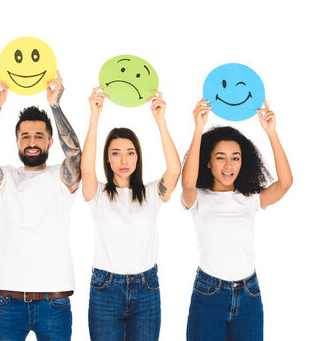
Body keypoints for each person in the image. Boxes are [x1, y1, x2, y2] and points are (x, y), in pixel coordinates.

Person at [0, 70, 81, 341]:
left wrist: (55, 105)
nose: (32, 142)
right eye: (25, 136)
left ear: (49, 141)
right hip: (7, 303)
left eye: (38, 136)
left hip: (53, 303)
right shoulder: (7, 178)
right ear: (17, 141)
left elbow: (76, 156)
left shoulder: (61, 177)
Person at [181, 99, 293, 341]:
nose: (229, 165)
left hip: (248, 294)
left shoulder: (250, 198)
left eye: (236, 157)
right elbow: (187, 183)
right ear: (208, 162)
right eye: (220, 157)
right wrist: (198, 129)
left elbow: (285, 183)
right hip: (208, 294)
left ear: (244, 162)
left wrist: (271, 132)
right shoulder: (198, 198)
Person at [81, 87, 181, 340]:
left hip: (146, 288)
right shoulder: (99, 193)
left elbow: (174, 170)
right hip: (106, 289)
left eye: (130, 152)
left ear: (138, 157)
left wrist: (160, 120)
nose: (123, 160)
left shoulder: (150, 194)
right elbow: (87, 170)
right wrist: (94, 117)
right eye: (115, 153)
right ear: (107, 159)